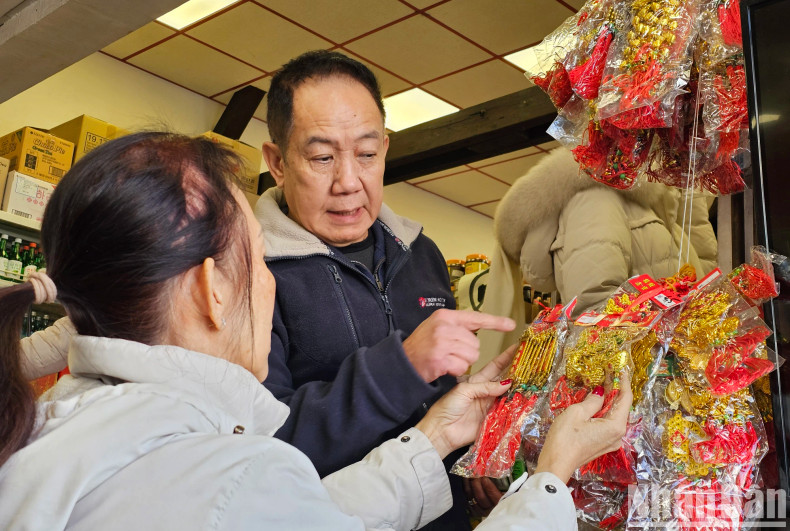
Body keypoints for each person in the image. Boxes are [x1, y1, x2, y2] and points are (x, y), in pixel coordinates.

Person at [1, 132, 632, 530]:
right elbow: (260, 500)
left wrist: (436, 433)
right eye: (258, 258)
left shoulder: (48, 424)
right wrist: (552, 476)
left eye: (367, 151)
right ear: (210, 290)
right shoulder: (227, 475)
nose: (348, 180)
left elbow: (314, 517)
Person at [256, 50, 513, 524]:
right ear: (277, 162)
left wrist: (476, 451)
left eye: (367, 155)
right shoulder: (248, 269)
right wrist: (402, 366)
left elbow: (440, 393)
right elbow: (259, 445)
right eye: (321, 157)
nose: (348, 181)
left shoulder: (421, 252)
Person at [477, 147, 718, 365]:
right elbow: (594, 312)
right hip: (641, 384)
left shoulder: (657, 208)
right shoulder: (595, 198)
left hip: (669, 373)